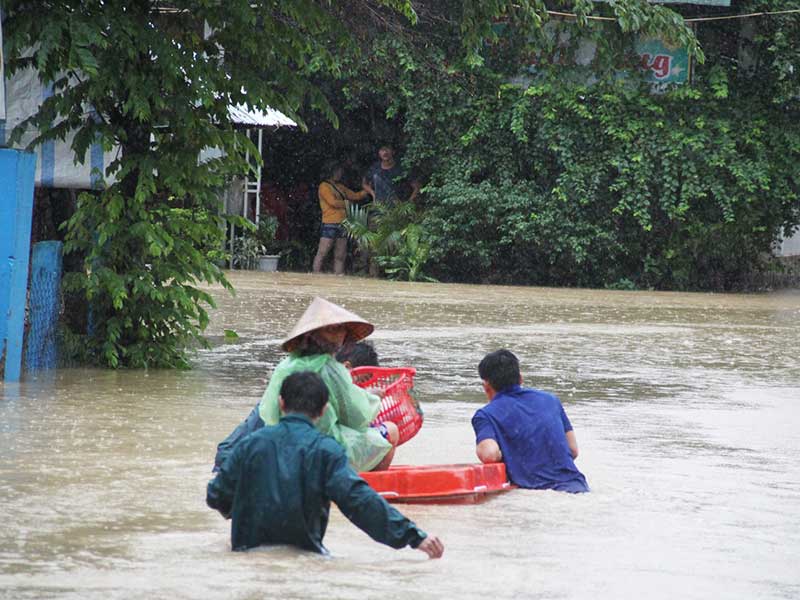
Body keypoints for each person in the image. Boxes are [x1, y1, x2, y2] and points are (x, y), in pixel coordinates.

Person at [207, 371, 444, 557]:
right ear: (323, 410)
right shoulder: (327, 452)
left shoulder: (250, 444)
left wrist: (241, 510)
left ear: (280, 403)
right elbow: (360, 502)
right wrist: (414, 536)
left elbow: (216, 495)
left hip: (246, 557)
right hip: (304, 558)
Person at [212, 340, 380, 472]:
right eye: (362, 380)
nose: (361, 386)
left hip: (234, 459)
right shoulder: (330, 384)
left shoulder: (287, 373)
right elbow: (358, 417)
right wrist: (372, 398)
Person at [471, 349, 589, 493]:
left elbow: (490, 454)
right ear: (521, 379)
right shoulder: (551, 400)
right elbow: (572, 450)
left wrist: (508, 452)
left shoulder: (486, 415)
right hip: (578, 487)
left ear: (486, 386)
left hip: (538, 495)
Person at [313, 160, 372, 275]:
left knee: (340, 254)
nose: (340, 174)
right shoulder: (324, 186)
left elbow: (355, 196)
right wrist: (347, 204)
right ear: (331, 172)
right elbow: (332, 202)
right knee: (323, 252)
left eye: (340, 172)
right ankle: (316, 274)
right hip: (330, 223)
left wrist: (368, 190)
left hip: (343, 224)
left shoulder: (340, 187)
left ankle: (338, 276)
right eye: (338, 171)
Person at [364, 142, 420, 208]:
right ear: (379, 153)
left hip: (398, 209)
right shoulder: (375, 168)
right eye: (382, 150)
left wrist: (408, 204)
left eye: (387, 149)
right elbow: (364, 183)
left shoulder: (402, 167)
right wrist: (373, 194)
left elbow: (417, 187)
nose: (385, 152)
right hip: (380, 209)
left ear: (393, 151)